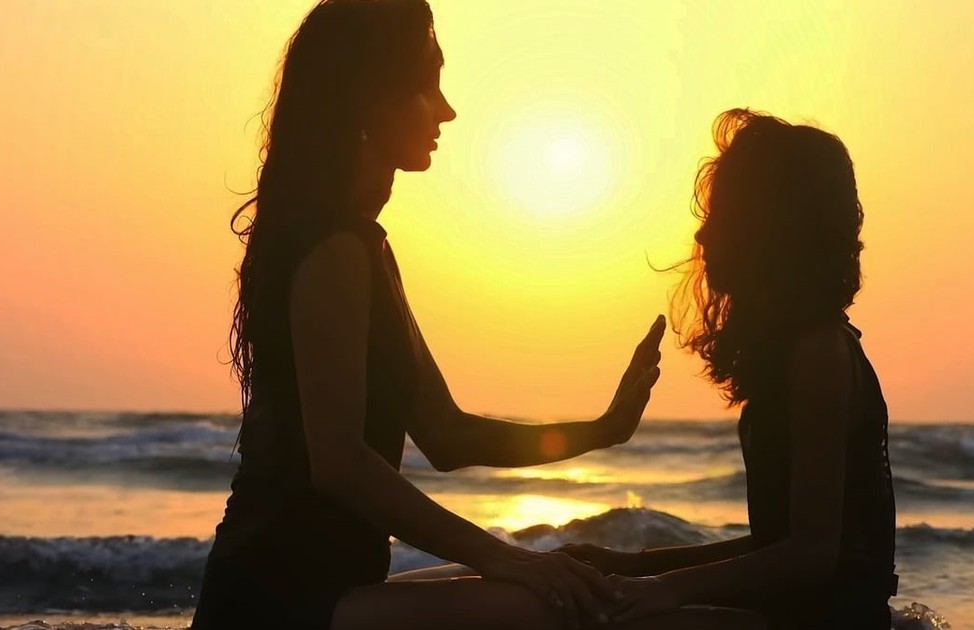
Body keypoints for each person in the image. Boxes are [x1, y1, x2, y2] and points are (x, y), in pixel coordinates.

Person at [188, 1, 681, 628]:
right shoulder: (332, 249)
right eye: (427, 85)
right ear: (369, 100)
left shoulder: (362, 245)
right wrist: (501, 556)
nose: (446, 110)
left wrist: (602, 430)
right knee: (558, 605)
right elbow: (340, 465)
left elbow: (447, 436)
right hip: (279, 601)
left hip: (334, 589)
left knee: (581, 570)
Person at [560, 110, 898, 629]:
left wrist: (660, 588)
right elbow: (777, 543)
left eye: (722, 217)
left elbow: (812, 555)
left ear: (769, 231)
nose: (702, 236)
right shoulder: (799, 349)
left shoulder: (819, 357)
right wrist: (629, 566)